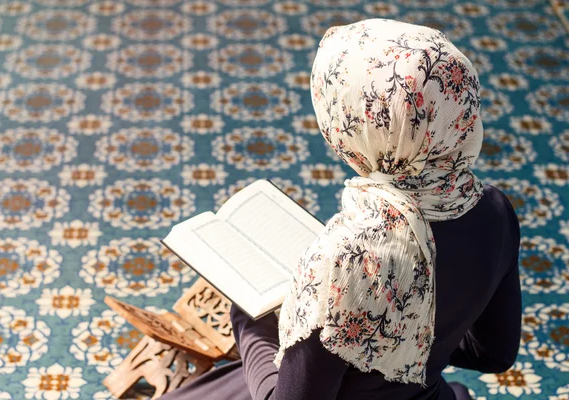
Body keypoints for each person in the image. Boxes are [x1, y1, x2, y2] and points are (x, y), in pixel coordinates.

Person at [161, 19, 521, 400]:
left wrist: (250, 320)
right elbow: (494, 354)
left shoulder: (348, 259)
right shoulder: (493, 209)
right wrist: (404, 342)